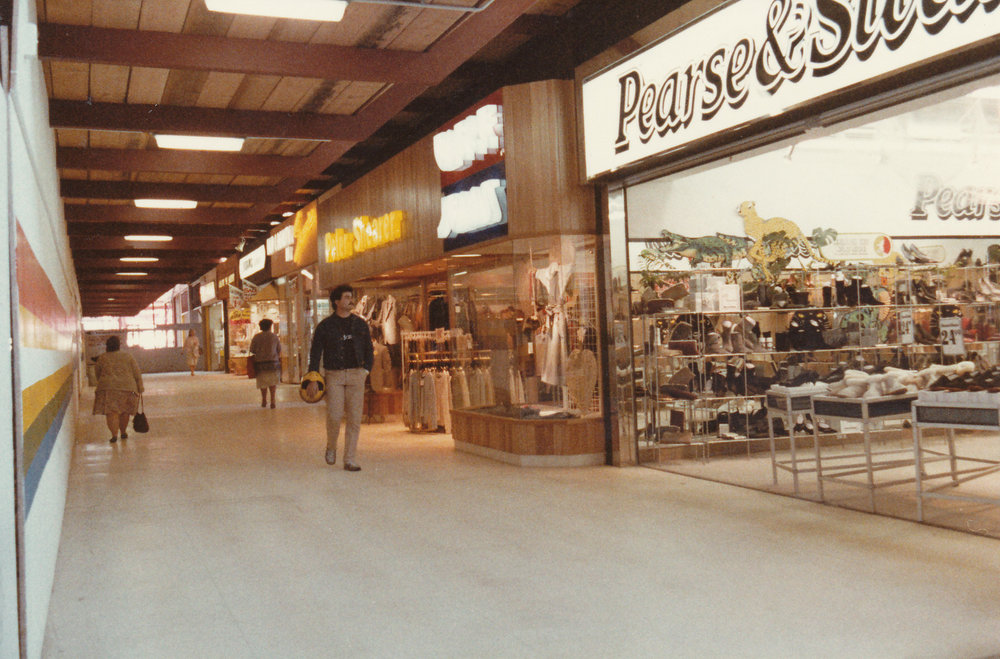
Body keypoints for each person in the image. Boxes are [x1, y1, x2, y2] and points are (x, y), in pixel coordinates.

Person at [307, 284, 373, 472]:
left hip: (356, 374)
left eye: (350, 297)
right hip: (334, 375)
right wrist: (313, 377)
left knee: (354, 418)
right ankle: (331, 446)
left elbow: (369, 349)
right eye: (346, 297)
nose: (350, 300)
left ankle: (350, 458)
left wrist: (366, 370)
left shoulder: (360, 324)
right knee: (334, 416)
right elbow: (316, 353)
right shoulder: (325, 326)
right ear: (336, 301)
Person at [92, 335, 143, 443]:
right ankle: (123, 432)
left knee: (111, 412)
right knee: (125, 411)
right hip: (127, 387)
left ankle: (114, 435)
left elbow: (98, 373)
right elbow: (136, 372)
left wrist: (103, 382)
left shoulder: (102, 357)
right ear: (119, 345)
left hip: (108, 388)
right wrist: (140, 386)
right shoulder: (128, 356)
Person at [250, 319, 281, 408]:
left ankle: (264, 400)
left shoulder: (256, 337)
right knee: (272, 381)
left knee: (262, 381)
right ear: (270, 326)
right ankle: (273, 400)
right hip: (273, 362)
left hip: (260, 363)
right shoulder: (274, 337)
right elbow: (279, 349)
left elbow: (252, 350)